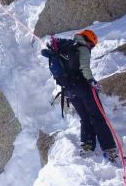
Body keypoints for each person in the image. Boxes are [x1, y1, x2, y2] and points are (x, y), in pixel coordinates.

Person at [42, 29, 119, 161]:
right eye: (92, 45)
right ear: (89, 39)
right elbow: (84, 67)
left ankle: (87, 146)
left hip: (68, 90)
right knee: (97, 117)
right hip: (82, 86)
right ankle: (110, 149)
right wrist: (91, 80)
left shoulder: (63, 48)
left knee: (84, 117)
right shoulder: (82, 48)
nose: (92, 48)